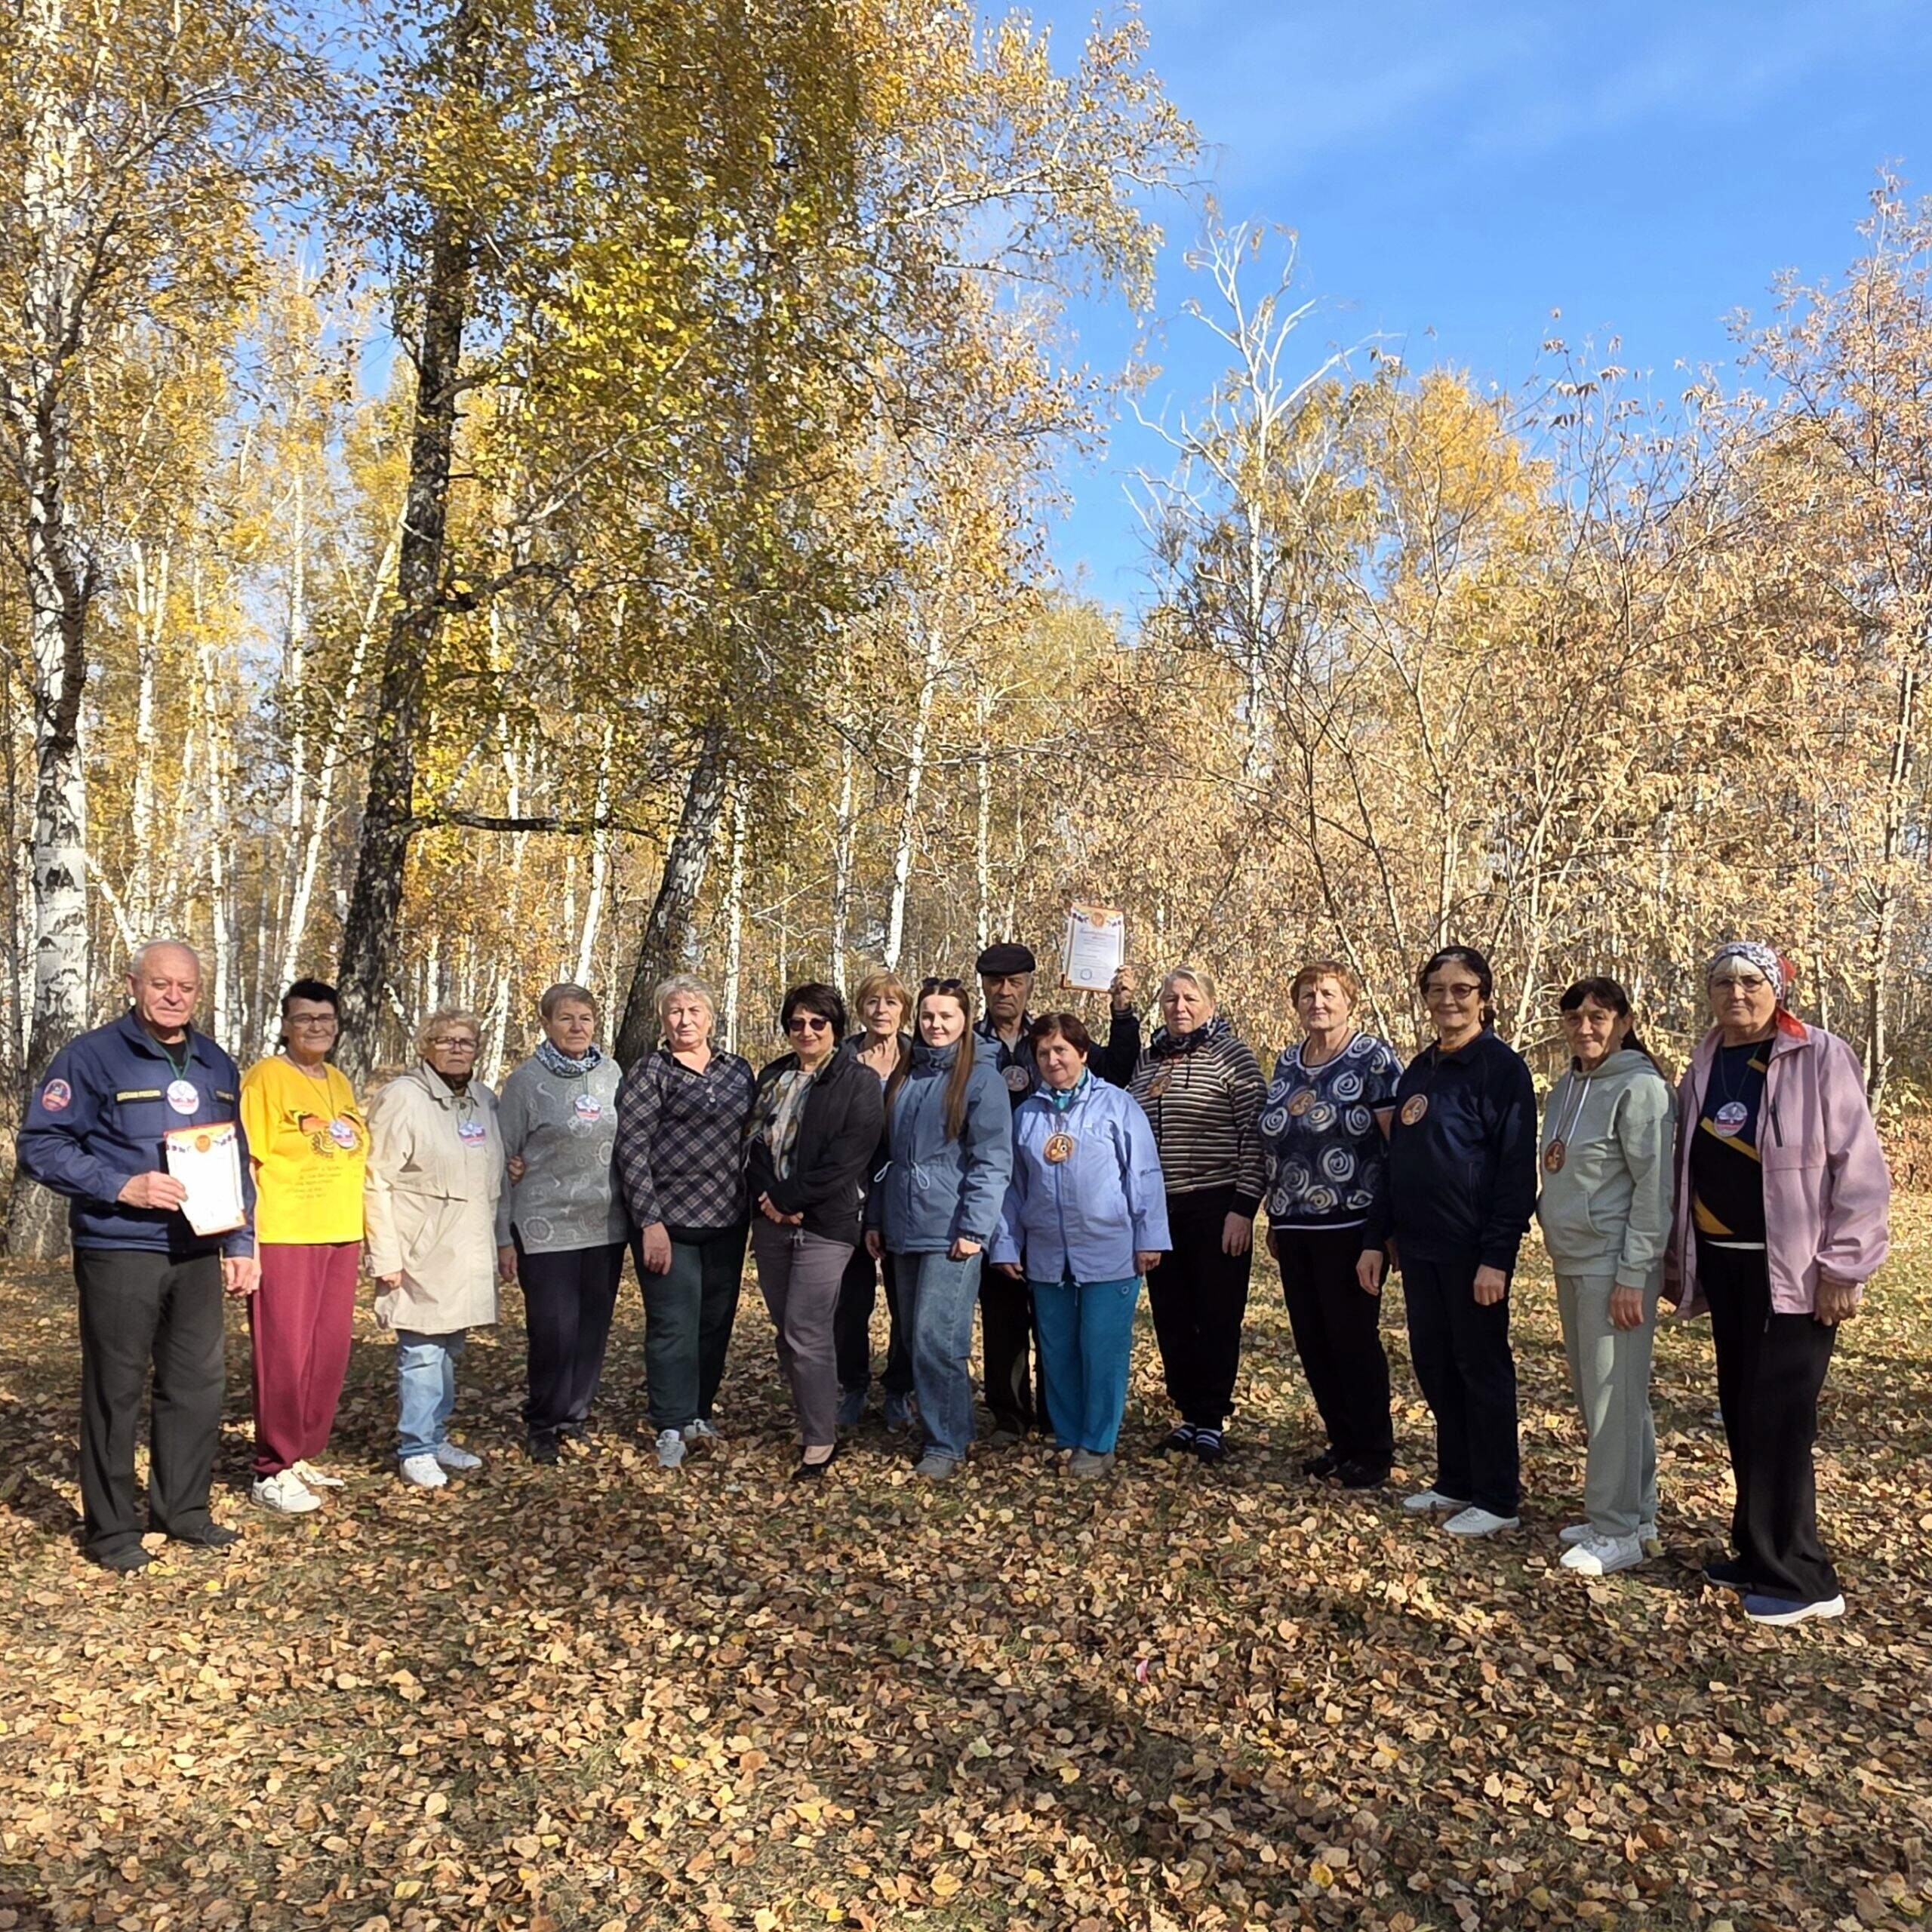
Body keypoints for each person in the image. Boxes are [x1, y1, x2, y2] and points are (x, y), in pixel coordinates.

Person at [1663, 941, 1889, 1626]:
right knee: (1741, 1406)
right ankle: (1757, 1551)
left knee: (1781, 1417)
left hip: (1794, 1272)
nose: (1736, 992)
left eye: (1751, 981)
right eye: (1723, 981)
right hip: (1727, 1263)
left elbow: (1860, 1168)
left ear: (1777, 988)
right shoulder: (1704, 1062)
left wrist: (1845, 1266)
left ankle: (1805, 1578)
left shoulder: (1819, 1055)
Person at [18, 940, 259, 1571]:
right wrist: (120, 1185)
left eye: (185, 986)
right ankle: (112, 1531)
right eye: (160, 984)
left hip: (198, 1248)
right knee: (116, 1389)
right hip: (120, 1245)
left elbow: (235, 1157)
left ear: (198, 992)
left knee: (197, 1385)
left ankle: (183, 1512)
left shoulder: (214, 1063)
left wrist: (241, 1242)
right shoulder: (91, 1057)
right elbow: (41, 1146)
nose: (173, 996)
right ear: (133, 985)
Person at [1364, 946, 1536, 1539]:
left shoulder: (1500, 1070)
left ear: (1483, 995)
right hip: (1419, 1248)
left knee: (1481, 1368)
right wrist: (1377, 1237)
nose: (1448, 1000)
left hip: (1472, 1250)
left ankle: (1497, 1495)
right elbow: (1397, 1161)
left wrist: (1497, 1257)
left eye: (1461, 989)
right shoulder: (1421, 1069)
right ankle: (1456, 1480)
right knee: (1436, 1365)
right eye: (1436, 989)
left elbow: (1516, 1172)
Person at [1535, 978, 1675, 1577]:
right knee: (1610, 1396)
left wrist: (1634, 1272)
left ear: (1622, 1020)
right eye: (1574, 1017)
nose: (1585, 1028)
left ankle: (1613, 1530)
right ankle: (1637, 1511)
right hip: (1573, 1256)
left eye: (1598, 1016)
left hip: (1615, 1265)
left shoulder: (1641, 1088)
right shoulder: (1568, 1085)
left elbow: (1654, 1188)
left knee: (1612, 1394)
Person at [974, 942, 1140, 1446]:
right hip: (995, 1192)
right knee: (1004, 1314)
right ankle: (1008, 1416)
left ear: (1028, 984)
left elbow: (1117, 1066)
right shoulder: (969, 1040)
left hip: (1064, 1204)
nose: (1006, 991)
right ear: (983, 986)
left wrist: (1123, 1011)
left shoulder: (1045, 1035)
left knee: (1062, 1322)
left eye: (1016, 982)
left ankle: (1057, 1417)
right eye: (996, 982)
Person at [990, 1014, 1168, 1475]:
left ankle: (1099, 1442)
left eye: (1061, 1051)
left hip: (1109, 1250)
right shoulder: (1027, 1114)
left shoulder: (1117, 1104)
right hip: (1048, 1255)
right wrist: (1007, 1244)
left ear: (1083, 1054)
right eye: (1044, 1053)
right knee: (1058, 1349)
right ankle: (1067, 1436)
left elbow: (1143, 1173)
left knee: (1101, 1347)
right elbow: (1013, 1186)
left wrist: (1149, 1236)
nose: (1052, 1060)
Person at [1259, 961, 1403, 1490]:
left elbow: (1396, 1150)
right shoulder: (1287, 1062)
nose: (1317, 1002)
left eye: (1328, 993)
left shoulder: (1373, 1058)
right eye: (1307, 994)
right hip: (1295, 1225)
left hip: (1352, 1226)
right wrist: (1275, 1214)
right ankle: (1342, 1442)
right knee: (1313, 1339)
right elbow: (1276, 1141)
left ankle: (1373, 1448)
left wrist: (1381, 1235)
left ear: (1350, 1000)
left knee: (1352, 1338)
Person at [866, 977, 1013, 1480]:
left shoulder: (980, 1078)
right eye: (928, 1016)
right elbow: (885, 1157)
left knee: (938, 1337)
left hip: (952, 1231)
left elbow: (993, 1158)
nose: (935, 1025)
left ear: (964, 1020)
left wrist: (976, 1227)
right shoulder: (904, 1075)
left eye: (946, 1016)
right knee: (911, 1335)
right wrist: (876, 1218)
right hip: (904, 1226)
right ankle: (944, 1424)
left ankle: (946, 1443)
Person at [743, 983, 885, 1479]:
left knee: (807, 1327)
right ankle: (809, 1417)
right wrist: (770, 1198)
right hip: (771, 1222)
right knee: (787, 1331)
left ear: (836, 1028)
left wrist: (792, 1199)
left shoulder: (858, 1081)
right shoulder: (774, 1076)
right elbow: (754, 1144)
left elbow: (850, 1156)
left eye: (817, 1023)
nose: (806, 1031)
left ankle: (821, 1439)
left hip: (827, 1223)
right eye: (797, 1023)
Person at [614, 975, 756, 1469]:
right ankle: (670, 1423)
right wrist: (648, 1221)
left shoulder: (738, 1071)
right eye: (675, 1012)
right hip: (668, 1223)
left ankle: (699, 1412)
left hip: (727, 1219)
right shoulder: (651, 1072)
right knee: (674, 1324)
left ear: (712, 1018)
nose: (685, 1021)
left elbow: (754, 1139)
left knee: (714, 1323)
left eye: (694, 1011)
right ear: (662, 1019)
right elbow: (630, 1148)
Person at [1126, 965, 1266, 1463]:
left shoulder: (1233, 1058)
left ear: (1209, 1003)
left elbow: (1255, 1134)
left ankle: (1212, 1418)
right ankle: (1187, 1412)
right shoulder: (1147, 1062)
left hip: (1217, 1201)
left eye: (1189, 998)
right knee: (1172, 1315)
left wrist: (1244, 1208)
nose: (1179, 1007)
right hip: (1160, 1209)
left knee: (1216, 1313)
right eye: (1170, 1000)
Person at [363, 1009, 508, 1488]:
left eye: (465, 1041)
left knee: (449, 1347)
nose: (456, 1049)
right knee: (422, 1349)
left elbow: (494, 1176)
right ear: (426, 1046)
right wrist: (384, 1255)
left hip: (466, 1247)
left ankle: (436, 1435)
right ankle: (416, 1447)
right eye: (445, 1040)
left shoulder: (482, 1100)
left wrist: (503, 1240)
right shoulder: (404, 1098)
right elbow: (375, 1178)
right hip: (419, 1249)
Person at [238, 978, 365, 1515]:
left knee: (328, 1350)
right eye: (305, 1018)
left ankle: (303, 1452)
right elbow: (248, 1160)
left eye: (326, 1018)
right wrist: (245, 1240)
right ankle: (272, 1467)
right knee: (284, 1353)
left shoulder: (337, 1079)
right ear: (286, 1024)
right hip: (286, 1232)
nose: (317, 1027)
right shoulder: (267, 1077)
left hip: (340, 1231)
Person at [496, 983, 630, 1464]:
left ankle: (575, 1416)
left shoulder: (613, 1073)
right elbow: (503, 1156)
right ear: (547, 1024)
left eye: (586, 1019)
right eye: (566, 1019)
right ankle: (544, 1422)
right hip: (543, 1225)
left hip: (604, 1225)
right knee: (553, 1329)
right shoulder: (525, 1082)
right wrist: (503, 1235)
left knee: (592, 1329)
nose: (577, 1028)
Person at [835, 970, 915, 1430]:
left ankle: (899, 1389)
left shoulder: (918, 1059)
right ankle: (854, 1385)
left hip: (903, 1195)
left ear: (903, 1010)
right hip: (848, 1197)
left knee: (905, 1302)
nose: (881, 1010)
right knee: (850, 1302)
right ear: (861, 1008)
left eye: (890, 1002)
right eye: (872, 1002)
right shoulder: (842, 1058)